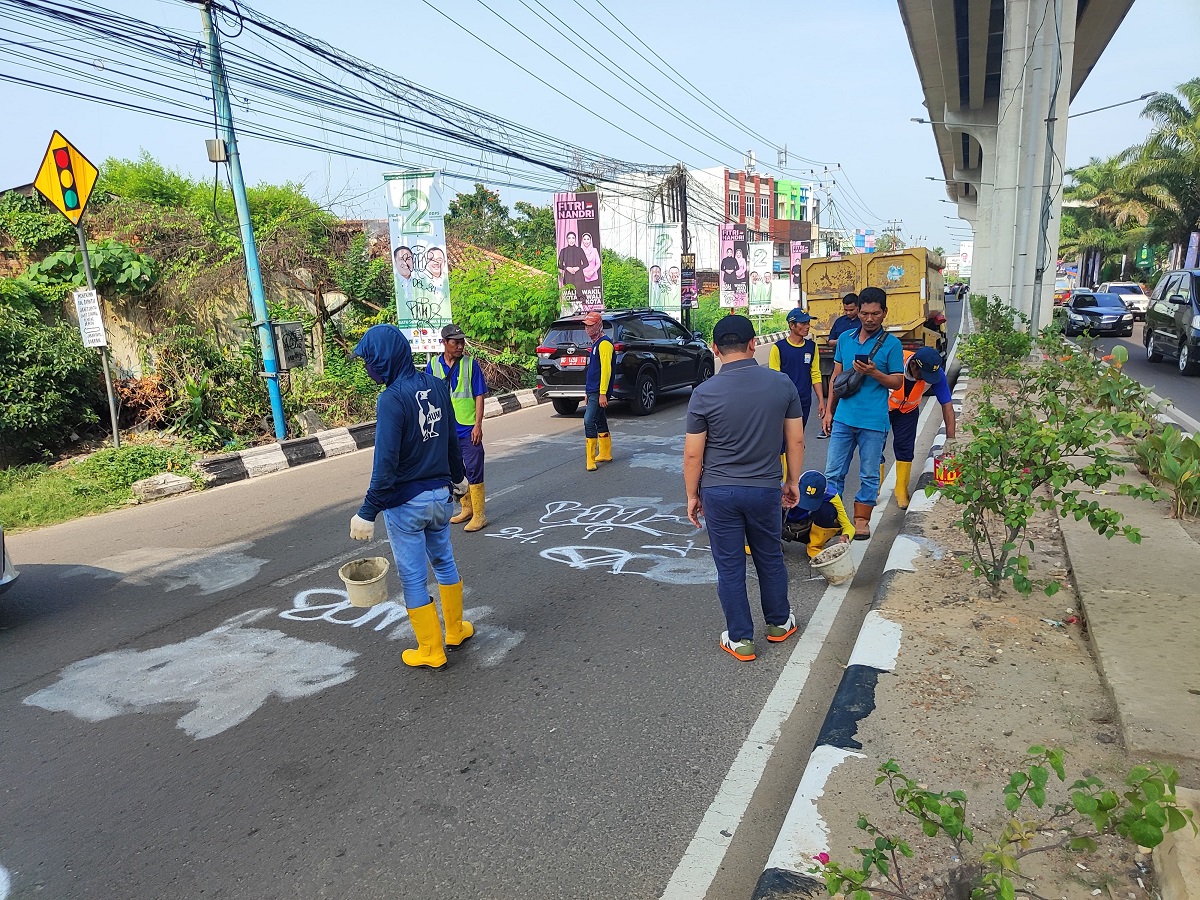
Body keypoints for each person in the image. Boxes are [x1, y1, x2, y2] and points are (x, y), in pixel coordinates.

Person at [349, 324, 471, 671]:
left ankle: (430, 649)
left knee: (414, 578)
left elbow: (385, 463)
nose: (368, 368)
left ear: (383, 360)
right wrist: (459, 477)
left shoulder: (391, 399)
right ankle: (456, 630)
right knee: (444, 561)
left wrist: (367, 511)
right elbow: (449, 439)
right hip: (440, 498)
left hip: (406, 504)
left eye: (369, 361)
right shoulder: (436, 384)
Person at [684, 314, 805, 662]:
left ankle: (740, 639)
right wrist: (792, 481)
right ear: (754, 344)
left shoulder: (703, 393)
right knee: (769, 557)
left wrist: (693, 495)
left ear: (715, 349)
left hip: (719, 492)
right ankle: (780, 624)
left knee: (730, 565)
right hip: (765, 489)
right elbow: (795, 440)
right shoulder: (781, 385)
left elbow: (693, 453)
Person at [820, 287, 904, 540]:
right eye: (865, 313)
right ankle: (834, 518)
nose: (869, 318)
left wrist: (874, 373)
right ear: (858, 312)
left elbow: (897, 382)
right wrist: (829, 412)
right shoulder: (845, 339)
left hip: (873, 422)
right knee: (833, 473)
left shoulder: (892, 345)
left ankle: (861, 520)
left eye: (875, 313)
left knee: (868, 474)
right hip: (844, 418)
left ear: (884, 313)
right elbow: (836, 377)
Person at [427, 323, 490, 531]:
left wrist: (478, 425)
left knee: (473, 468)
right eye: (456, 342)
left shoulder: (470, 364)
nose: (461, 346)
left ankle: (480, 515)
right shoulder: (433, 366)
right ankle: (467, 508)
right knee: (456, 471)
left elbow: (479, 395)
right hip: (445, 428)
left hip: (467, 426)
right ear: (444, 343)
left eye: (462, 341)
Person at [887, 346, 955, 509]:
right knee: (875, 447)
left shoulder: (935, 374)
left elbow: (947, 405)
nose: (926, 380)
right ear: (913, 366)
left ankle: (901, 489)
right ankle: (873, 488)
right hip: (882, 408)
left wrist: (951, 438)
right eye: (923, 376)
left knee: (905, 447)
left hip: (908, 410)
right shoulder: (894, 360)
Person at [769, 309, 825, 440]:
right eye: (803, 323)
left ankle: (794, 460)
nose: (807, 326)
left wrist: (821, 401)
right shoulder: (778, 348)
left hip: (804, 400)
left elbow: (815, 374)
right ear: (792, 325)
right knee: (783, 438)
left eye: (808, 323)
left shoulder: (812, 347)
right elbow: (774, 378)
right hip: (785, 401)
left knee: (798, 437)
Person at [783, 470, 855, 559]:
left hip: (807, 529)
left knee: (828, 510)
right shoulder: (785, 488)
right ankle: (772, 543)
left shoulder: (831, 495)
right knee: (770, 506)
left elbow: (848, 526)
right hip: (784, 526)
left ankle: (814, 547)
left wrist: (846, 536)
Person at [582, 310, 614, 471]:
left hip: (599, 391)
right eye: (586, 326)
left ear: (599, 325)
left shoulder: (604, 344)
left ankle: (591, 459)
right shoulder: (596, 343)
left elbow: (606, 370)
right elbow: (593, 371)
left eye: (591, 326)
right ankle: (605, 453)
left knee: (589, 420)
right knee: (599, 419)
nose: (588, 329)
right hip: (593, 390)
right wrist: (588, 392)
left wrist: (602, 393)